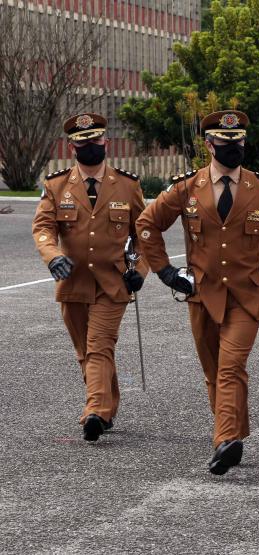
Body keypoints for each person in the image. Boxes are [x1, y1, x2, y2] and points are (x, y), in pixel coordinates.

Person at [136, 110, 259, 475]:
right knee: (214, 371)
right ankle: (234, 433)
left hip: (246, 297)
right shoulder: (187, 188)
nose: (234, 148)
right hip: (202, 295)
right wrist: (164, 271)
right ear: (209, 145)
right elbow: (147, 224)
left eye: (238, 142)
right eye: (225, 143)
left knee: (231, 366)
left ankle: (225, 440)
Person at [31, 113, 148, 441]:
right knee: (87, 350)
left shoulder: (127, 184)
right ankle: (108, 408)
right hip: (73, 282)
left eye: (95, 140)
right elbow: (43, 228)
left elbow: (144, 234)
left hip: (113, 282)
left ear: (105, 142)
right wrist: (53, 257)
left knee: (99, 345)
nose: (90, 146)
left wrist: (139, 270)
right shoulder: (56, 186)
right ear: (72, 148)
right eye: (83, 142)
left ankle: (95, 410)